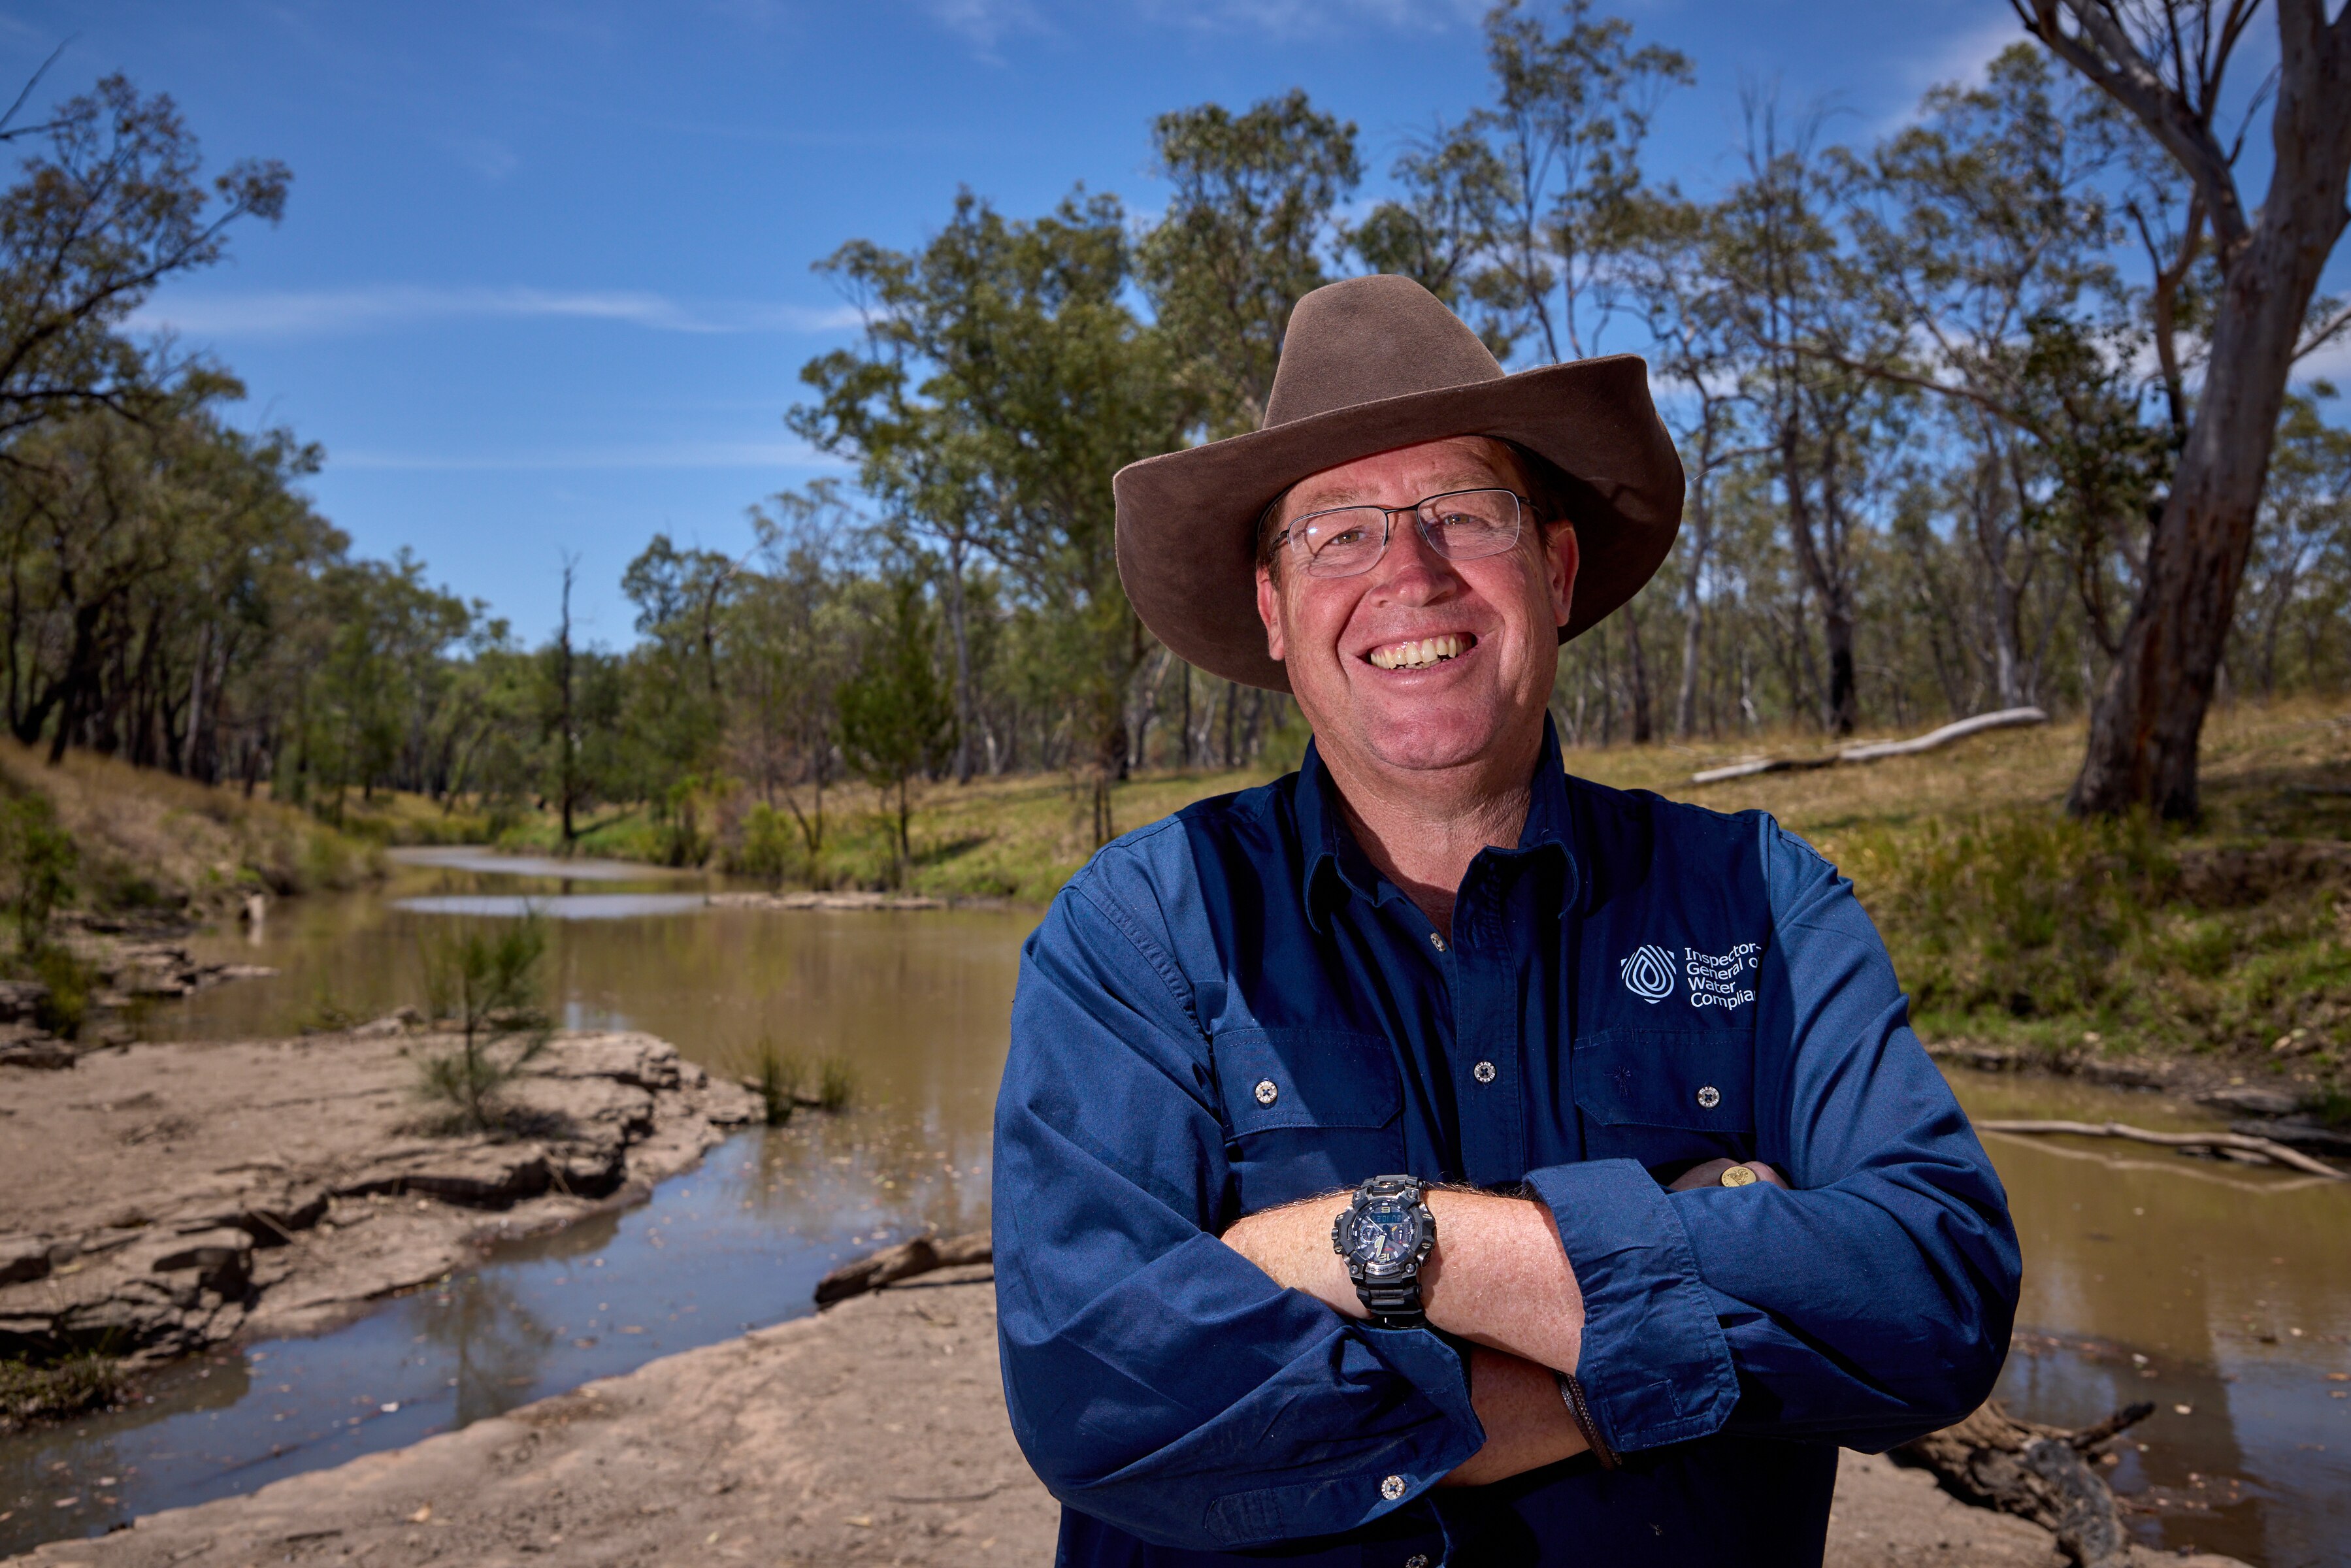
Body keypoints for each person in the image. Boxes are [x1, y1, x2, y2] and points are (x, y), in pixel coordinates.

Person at [991, 274, 2020, 1568]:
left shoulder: (1758, 900)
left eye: (1462, 515)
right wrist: (1638, 1355)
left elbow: (1932, 1289)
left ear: (1553, 564)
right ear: (1272, 609)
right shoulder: (1137, 929)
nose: (1408, 576)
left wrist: (1400, 1253)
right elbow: (1098, 1392)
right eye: (1337, 535)